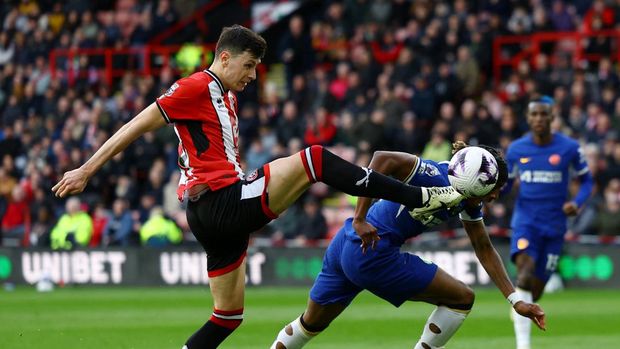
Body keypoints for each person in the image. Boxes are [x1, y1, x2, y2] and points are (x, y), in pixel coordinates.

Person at [52, 25, 462, 349]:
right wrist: (87, 170)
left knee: (227, 317)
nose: (252, 76)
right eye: (248, 66)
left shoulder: (224, 97)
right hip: (219, 202)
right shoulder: (195, 87)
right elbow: (136, 125)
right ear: (225, 58)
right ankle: (422, 195)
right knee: (315, 159)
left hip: (214, 217)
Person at [271, 143, 546, 349]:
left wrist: (515, 300)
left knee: (309, 324)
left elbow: (484, 248)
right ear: (477, 181)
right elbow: (383, 158)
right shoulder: (434, 176)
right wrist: (360, 217)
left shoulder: (467, 198)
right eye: (494, 187)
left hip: (345, 244)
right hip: (374, 250)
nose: (496, 195)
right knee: (462, 299)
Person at [504, 96, 593, 349]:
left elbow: (588, 181)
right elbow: (507, 184)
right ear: (528, 118)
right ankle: (523, 345)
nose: (539, 119)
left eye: (544, 114)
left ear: (552, 118)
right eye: (535, 115)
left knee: (536, 289)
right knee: (524, 273)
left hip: (554, 226)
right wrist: (490, 191)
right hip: (526, 222)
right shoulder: (517, 149)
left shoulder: (569, 148)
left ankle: (522, 307)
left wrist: (576, 203)